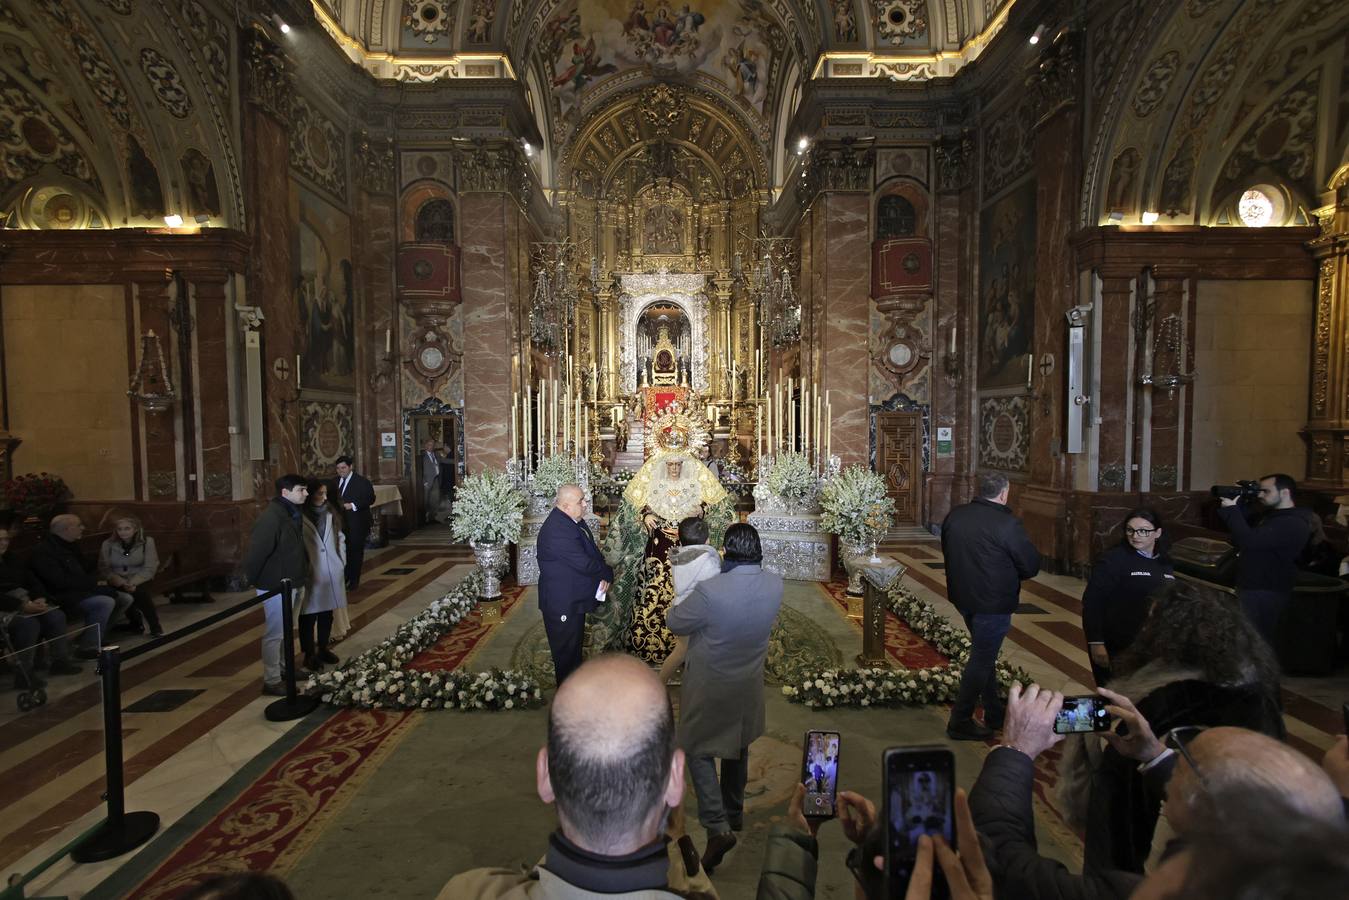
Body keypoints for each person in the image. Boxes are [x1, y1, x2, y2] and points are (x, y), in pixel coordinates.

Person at [967, 682, 1344, 900]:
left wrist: (1016, 750)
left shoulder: (1144, 892)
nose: (1342, 736)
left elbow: (1001, 858)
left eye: (1188, 758)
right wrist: (1153, 756)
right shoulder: (1311, 853)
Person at [1057, 580, 1285, 874]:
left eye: (1153, 621)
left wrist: (1055, 715)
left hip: (1150, 809)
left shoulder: (1183, 690)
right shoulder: (1248, 679)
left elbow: (1119, 717)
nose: (1145, 629)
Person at [667, 523, 782, 874]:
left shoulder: (711, 591)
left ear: (727, 551)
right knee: (739, 746)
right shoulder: (775, 585)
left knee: (697, 749)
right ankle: (734, 814)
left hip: (709, 684)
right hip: (748, 683)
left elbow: (675, 622)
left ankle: (717, 827)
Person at [595, 448, 730, 663]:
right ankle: (646, 641)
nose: (675, 469)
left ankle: (691, 642)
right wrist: (645, 514)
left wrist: (701, 511)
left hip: (687, 544)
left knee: (691, 588)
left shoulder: (695, 479)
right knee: (652, 588)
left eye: (678, 464)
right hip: (659, 545)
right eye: (670, 465)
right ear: (663, 465)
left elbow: (716, 505)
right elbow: (634, 504)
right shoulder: (652, 479)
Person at [940, 472, 1040, 740]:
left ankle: (994, 713)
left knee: (984, 655)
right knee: (982, 659)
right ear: (1004, 493)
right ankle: (960, 720)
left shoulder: (956, 515)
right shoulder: (1007, 524)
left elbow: (948, 552)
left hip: (964, 599)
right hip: (992, 603)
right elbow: (1030, 566)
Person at [1217, 473, 1317, 646]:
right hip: (1253, 584)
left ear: (1285, 493)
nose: (1261, 495)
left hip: (1266, 588)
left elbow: (1249, 542)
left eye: (1266, 491)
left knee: (1256, 640)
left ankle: (1257, 672)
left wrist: (1230, 510)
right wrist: (1240, 501)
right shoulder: (1272, 516)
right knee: (1246, 636)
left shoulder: (1293, 522)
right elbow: (1242, 532)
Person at [1081, 507, 1174, 686]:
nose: (1135, 536)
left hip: (1150, 643)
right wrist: (1096, 642)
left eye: (1143, 531)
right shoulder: (1113, 560)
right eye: (1130, 530)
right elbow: (1092, 603)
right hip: (1117, 641)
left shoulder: (1165, 562)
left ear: (1157, 533)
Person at [535, 483, 612, 686]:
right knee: (566, 658)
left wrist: (602, 571)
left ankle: (574, 696)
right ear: (566, 505)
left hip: (572, 597)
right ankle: (566, 705)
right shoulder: (558, 530)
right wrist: (607, 573)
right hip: (562, 602)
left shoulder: (572, 520)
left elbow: (591, 552)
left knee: (573, 653)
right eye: (581, 501)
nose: (586, 504)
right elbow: (583, 562)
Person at [243, 475, 309, 696]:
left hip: (294, 580)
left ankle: (285, 668)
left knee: (287, 631)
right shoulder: (271, 517)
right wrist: (251, 579)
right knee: (275, 633)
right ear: (285, 492)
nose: (305, 494)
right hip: (276, 583)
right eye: (301, 490)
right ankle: (272, 679)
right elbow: (257, 552)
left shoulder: (291, 512)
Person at [26, 514, 121, 658]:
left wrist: (103, 559)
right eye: (79, 525)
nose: (82, 528)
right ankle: (88, 648)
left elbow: (84, 568)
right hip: (60, 596)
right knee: (105, 602)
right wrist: (96, 583)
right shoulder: (44, 551)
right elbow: (59, 582)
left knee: (124, 598)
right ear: (67, 529)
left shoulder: (71, 545)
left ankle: (92, 637)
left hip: (78, 590)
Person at [1, 529, 81, 687]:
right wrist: (21, 605)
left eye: (5, 539)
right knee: (28, 624)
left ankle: (59, 662)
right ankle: (24, 673)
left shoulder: (12, 558)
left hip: (22, 601)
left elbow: (30, 580)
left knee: (55, 616)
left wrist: (39, 597)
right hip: (5, 606)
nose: (3, 543)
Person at [657, 516, 720, 683]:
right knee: (688, 652)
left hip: (680, 609)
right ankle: (661, 684)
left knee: (682, 651)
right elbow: (714, 589)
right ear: (707, 539)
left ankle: (662, 683)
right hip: (698, 612)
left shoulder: (680, 555)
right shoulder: (708, 562)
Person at [299, 479, 347, 674]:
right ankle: (309, 653)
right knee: (308, 616)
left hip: (331, 570)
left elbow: (340, 537)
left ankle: (323, 647)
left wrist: (341, 561)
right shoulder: (300, 516)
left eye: (326, 493)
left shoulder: (330, 513)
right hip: (312, 571)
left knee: (327, 613)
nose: (324, 498)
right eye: (320, 494)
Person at [98, 514, 163, 637]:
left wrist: (133, 582)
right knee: (120, 593)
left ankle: (155, 626)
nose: (123, 532)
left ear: (136, 529)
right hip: (117, 579)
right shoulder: (108, 544)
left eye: (127, 528)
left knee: (140, 593)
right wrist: (121, 582)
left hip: (140, 577)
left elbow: (150, 566)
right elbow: (104, 568)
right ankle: (134, 623)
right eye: (120, 529)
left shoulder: (147, 542)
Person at [332, 455, 374, 590]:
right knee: (342, 550)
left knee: (355, 551)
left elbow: (370, 498)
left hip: (357, 522)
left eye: (343, 468)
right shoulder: (334, 481)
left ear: (351, 467)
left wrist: (353, 505)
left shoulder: (362, 482)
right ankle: (345, 577)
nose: (340, 471)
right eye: (338, 468)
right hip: (339, 522)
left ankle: (354, 580)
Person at [419, 439, 448, 525]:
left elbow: (443, 461)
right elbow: (420, 470)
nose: (432, 446)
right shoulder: (422, 456)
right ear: (426, 446)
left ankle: (432, 518)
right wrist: (424, 481)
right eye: (430, 445)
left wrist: (456, 462)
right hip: (427, 481)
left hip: (436, 479)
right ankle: (423, 520)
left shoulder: (436, 454)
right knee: (426, 500)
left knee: (435, 499)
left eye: (433, 445)